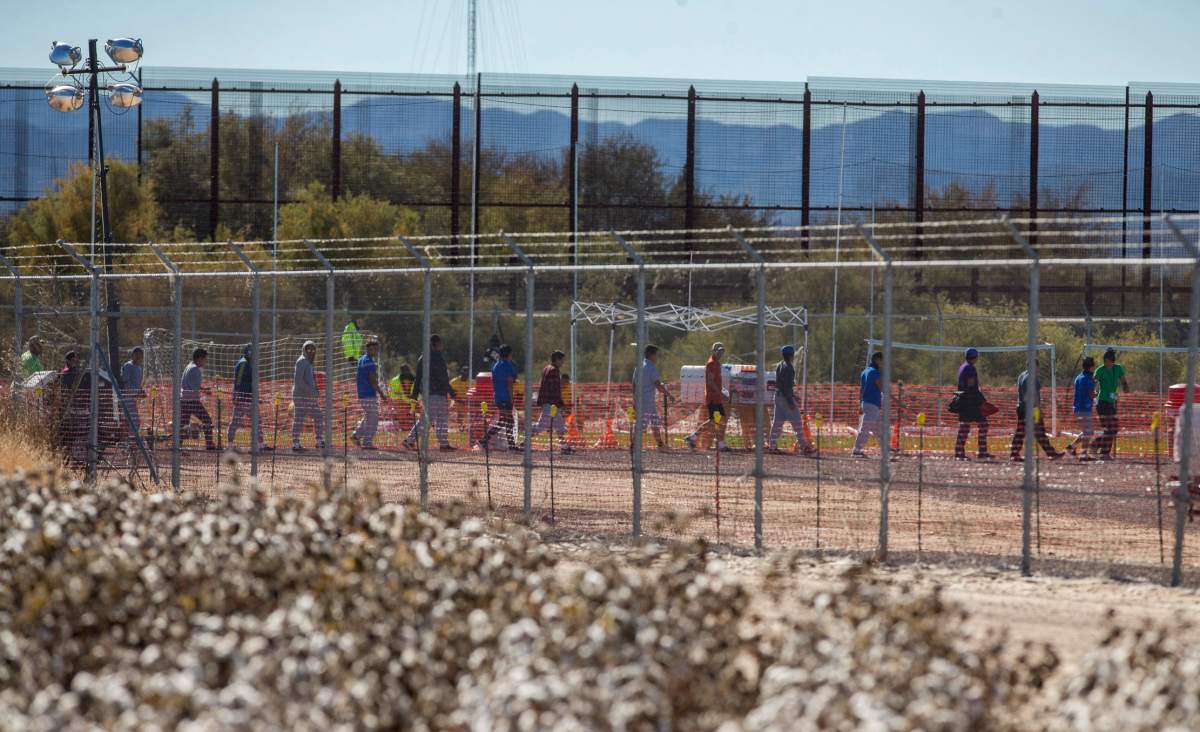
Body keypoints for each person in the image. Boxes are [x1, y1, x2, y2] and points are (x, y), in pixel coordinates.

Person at [404, 335, 457, 451]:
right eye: (440, 344)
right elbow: (443, 378)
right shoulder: (437, 357)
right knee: (435, 420)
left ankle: (443, 444)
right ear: (436, 344)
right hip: (437, 393)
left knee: (431, 419)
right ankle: (410, 440)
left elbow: (417, 379)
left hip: (428, 394)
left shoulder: (422, 358)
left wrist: (414, 395)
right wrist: (452, 392)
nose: (441, 346)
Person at [1009, 359, 1063, 461]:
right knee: (1039, 431)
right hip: (1032, 410)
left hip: (1021, 408)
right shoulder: (1032, 378)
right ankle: (1051, 453)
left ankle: (1014, 453)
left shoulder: (1022, 375)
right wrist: (1039, 409)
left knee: (1021, 432)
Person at [770, 345, 816, 455]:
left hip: (778, 397)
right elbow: (787, 387)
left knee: (777, 423)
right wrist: (791, 401)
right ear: (791, 355)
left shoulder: (780, 365)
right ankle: (804, 446)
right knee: (797, 423)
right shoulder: (789, 368)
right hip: (786, 398)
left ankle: (772, 445)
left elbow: (782, 385)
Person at [685, 342, 729, 452]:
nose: (720, 353)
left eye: (722, 351)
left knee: (718, 420)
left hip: (717, 398)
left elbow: (716, 381)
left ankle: (718, 443)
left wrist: (722, 392)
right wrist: (720, 393)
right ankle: (694, 437)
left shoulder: (718, 364)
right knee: (714, 420)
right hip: (712, 398)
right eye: (718, 351)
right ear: (713, 351)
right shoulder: (711, 364)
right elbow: (710, 381)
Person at [227, 345, 270, 452]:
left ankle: (230, 445)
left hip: (247, 397)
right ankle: (257, 445)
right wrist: (236, 395)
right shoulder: (243, 363)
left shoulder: (248, 363)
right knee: (255, 421)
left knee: (238, 421)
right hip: (244, 397)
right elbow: (238, 380)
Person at [529, 350, 574, 454]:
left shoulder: (546, 368)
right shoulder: (554, 370)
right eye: (562, 360)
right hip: (551, 403)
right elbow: (554, 389)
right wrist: (560, 402)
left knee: (559, 426)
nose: (563, 362)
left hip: (548, 402)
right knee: (541, 427)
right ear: (557, 359)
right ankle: (525, 443)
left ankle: (564, 447)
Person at [480, 344, 521, 451]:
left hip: (498, 397)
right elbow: (509, 383)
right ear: (509, 354)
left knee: (504, 421)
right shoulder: (507, 365)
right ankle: (512, 447)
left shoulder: (496, 364)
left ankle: (484, 440)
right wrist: (511, 400)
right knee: (509, 421)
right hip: (505, 398)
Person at [954, 348, 992, 460]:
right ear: (975, 357)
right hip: (970, 401)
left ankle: (959, 452)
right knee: (983, 425)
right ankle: (982, 452)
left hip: (963, 400)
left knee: (964, 426)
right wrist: (981, 400)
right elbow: (971, 386)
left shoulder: (963, 366)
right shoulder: (970, 369)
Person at [634, 344, 673, 451]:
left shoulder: (639, 366)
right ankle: (635, 446)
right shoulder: (651, 367)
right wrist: (669, 395)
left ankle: (660, 445)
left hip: (642, 400)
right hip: (647, 401)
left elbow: (634, 384)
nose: (657, 357)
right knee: (642, 425)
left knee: (654, 422)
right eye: (656, 355)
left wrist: (634, 399)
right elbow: (658, 385)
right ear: (651, 355)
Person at [1093, 348, 1130, 460]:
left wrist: (1125, 387)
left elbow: (1123, 380)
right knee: (1109, 428)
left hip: (1113, 402)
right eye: (1104, 359)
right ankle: (1104, 453)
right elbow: (1093, 382)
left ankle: (1096, 445)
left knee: (1113, 429)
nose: (1105, 362)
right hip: (1102, 402)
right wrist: (1093, 391)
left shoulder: (1118, 368)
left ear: (1112, 360)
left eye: (1107, 360)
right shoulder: (1100, 370)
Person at [352, 337, 387, 450]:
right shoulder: (369, 362)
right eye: (375, 349)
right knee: (374, 418)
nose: (376, 352)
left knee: (369, 416)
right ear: (369, 349)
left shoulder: (361, 359)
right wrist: (382, 394)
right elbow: (373, 381)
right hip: (368, 394)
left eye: (377, 349)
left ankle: (356, 435)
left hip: (362, 394)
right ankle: (367, 441)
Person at [291, 340, 326, 452]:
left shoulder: (309, 362)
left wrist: (315, 390)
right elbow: (298, 381)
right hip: (301, 396)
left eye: (313, 349)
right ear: (304, 350)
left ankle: (319, 441)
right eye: (308, 349)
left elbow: (310, 380)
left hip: (308, 396)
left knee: (318, 416)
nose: (311, 352)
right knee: (299, 418)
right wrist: (311, 392)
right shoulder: (301, 361)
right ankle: (296, 443)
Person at [179, 348, 216, 450]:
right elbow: (195, 388)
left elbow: (192, 385)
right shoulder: (195, 369)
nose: (205, 361)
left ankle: (177, 446)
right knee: (207, 420)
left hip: (183, 400)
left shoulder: (189, 366)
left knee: (183, 424)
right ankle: (209, 444)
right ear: (199, 358)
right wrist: (206, 391)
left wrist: (203, 389)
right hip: (192, 401)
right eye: (205, 359)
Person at [853, 351, 886, 458]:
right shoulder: (874, 372)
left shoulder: (864, 372)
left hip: (867, 403)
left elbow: (861, 390)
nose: (883, 363)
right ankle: (857, 450)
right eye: (882, 360)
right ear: (877, 359)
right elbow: (881, 387)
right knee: (865, 428)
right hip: (872, 404)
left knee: (879, 429)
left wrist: (860, 404)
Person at [1066, 356, 1098, 461]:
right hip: (1085, 408)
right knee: (1088, 433)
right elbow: (1091, 395)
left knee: (1086, 432)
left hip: (1077, 408)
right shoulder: (1088, 379)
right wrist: (1098, 392)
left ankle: (1072, 447)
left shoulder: (1079, 377)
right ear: (1091, 367)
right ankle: (1083, 455)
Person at [119, 347, 147, 438]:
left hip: (133, 400)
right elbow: (126, 384)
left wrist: (141, 392)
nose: (139, 357)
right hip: (126, 399)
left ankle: (130, 441)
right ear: (133, 355)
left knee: (134, 422)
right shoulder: (128, 366)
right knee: (133, 422)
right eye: (137, 354)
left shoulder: (139, 368)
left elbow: (137, 385)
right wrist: (137, 392)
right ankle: (130, 441)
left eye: (140, 355)